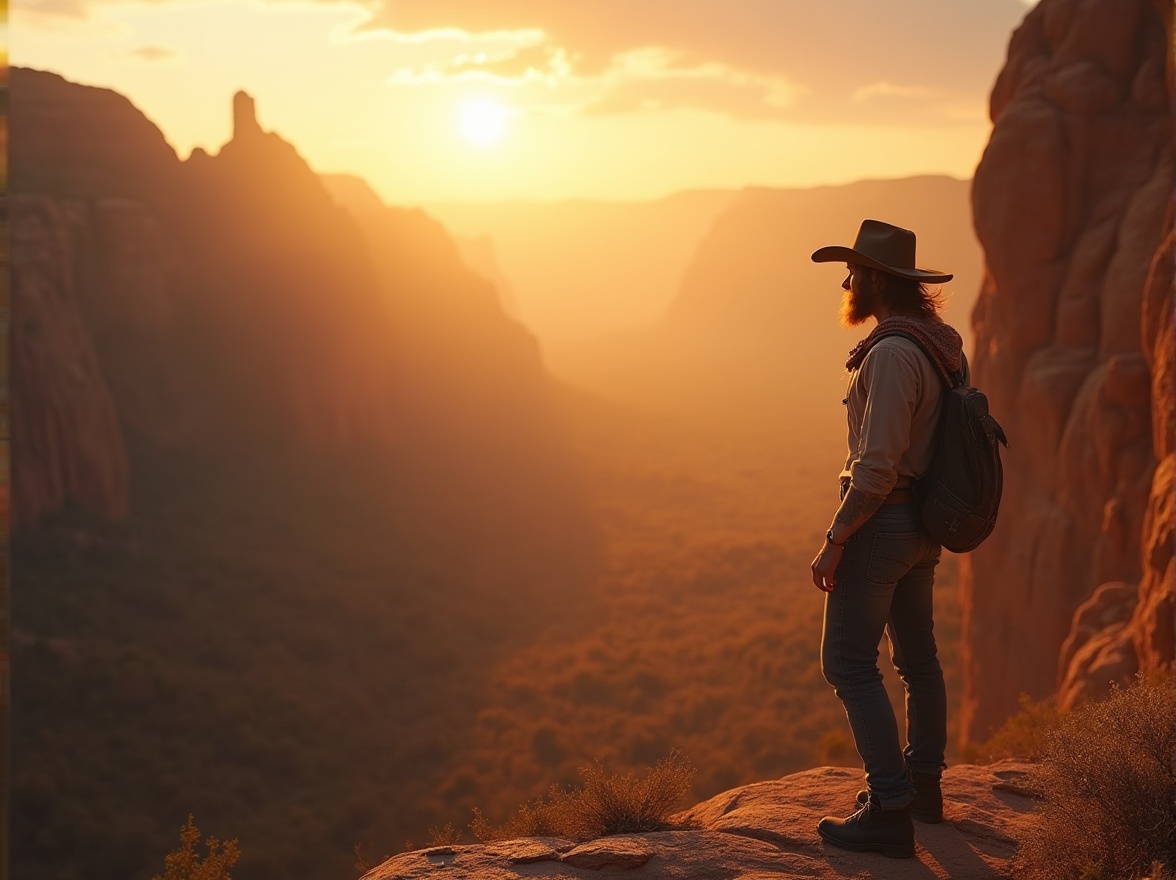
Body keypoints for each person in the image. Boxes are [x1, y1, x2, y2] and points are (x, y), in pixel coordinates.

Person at [808, 219, 966, 859]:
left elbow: (877, 467)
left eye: (852, 271)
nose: (846, 282)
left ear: (875, 278)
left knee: (847, 663)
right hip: (922, 524)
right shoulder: (936, 344)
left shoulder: (895, 352)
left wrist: (837, 538)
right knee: (918, 660)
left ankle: (890, 809)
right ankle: (923, 789)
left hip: (884, 523)